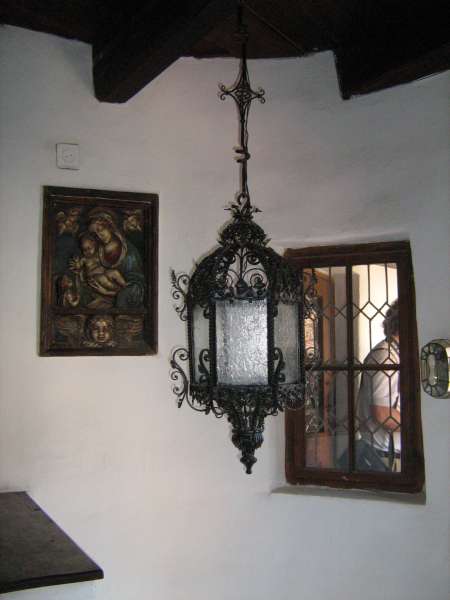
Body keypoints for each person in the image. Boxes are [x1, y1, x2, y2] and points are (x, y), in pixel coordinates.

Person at [355, 300, 401, 471]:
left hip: (387, 452)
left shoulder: (395, 354)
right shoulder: (385, 357)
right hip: (383, 456)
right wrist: (420, 426)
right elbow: (382, 413)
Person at [70, 234, 127, 300]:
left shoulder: (98, 254)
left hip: (104, 272)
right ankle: (118, 290)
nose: (87, 252)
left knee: (114, 272)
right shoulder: (84, 259)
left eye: (89, 248)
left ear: (94, 244)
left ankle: (126, 286)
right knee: (102, 278)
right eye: (84, 250)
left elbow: (106, 259)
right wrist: (77, 264)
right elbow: (79, 266)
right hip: (94, 277)